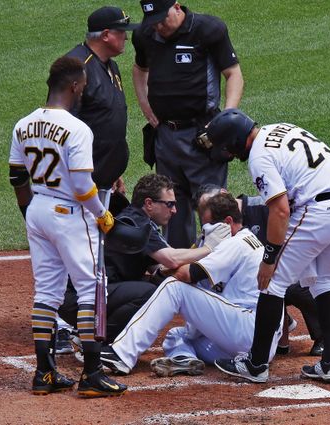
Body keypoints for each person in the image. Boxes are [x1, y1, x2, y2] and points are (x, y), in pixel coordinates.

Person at [205, 109, 330, 383]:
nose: (227, 153)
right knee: (324, 282)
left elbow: (280, 211)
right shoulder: (281, 127)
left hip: (320, 212)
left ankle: (255, 365)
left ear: (233, 141)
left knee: (271, 283)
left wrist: (269, 258)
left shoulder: (258, 157)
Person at [8, 56, 127, 397]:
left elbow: (17, 176)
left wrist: (30, 213)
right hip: (71, 213)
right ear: (74, 86)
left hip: (38, 208)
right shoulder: (77, 128)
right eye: (84, 84)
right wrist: (102, 215)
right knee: (91, 289)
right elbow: (82, 185)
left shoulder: (23, 124)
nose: (85, 89)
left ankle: (44, 373)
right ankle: (92, 374)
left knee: (47, 292)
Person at [97, 193, 283, 377]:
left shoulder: (236, 243)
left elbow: (187, 275)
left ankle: (122, 354)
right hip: (252, 342)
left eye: (209, 226)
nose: (206, 231)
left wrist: (176, 265)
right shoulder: (247, 241)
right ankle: (184, 359)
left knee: (174, 287)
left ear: (227, 222)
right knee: (177, 336)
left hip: (247, 330)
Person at [58, 174, 231, 356]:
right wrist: (209, 248)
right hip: (80, 299)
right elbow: (172, 259)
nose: (174, 210)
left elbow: (163, 266)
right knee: (151, 293)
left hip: (87, 295)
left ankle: (89, 333)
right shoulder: (136, 223)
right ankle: (98, 342)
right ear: (149, 203)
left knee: (158, 285)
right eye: (169, 204)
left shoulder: (142, 221)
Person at [132, 0, 244, 248]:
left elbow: (233, 73)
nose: (159, 26)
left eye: (163, 18)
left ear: (178, 7)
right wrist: (145, 105)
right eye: (153, 20)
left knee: (212, 206)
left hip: (202, 135)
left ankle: (219, 273)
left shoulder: (208, 29)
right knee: (170, 208)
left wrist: (226, 119)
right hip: (165, 138)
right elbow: (140, 69)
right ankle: (180, 273)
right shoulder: (145, 34)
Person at [194, 184, 324, 357]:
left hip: (291, 262)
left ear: (224, 196)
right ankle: (279, 334)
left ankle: (324, 336)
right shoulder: (216, 225)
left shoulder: (265, 207)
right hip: (255, 281)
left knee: (290, 285)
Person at [66, 6, 140, 190]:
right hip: (83, 181)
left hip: (106, 178)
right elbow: (63, 126)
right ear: (106, 35)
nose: (127, 37)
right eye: (122, 32)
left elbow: (106, 120)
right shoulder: (75, 68)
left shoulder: (111, 66)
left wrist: (114, 171)